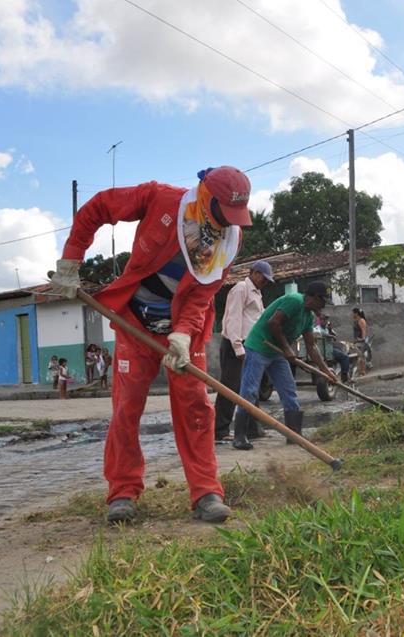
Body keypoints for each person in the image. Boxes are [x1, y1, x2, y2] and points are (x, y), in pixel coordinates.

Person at [49, 165, 253, 525]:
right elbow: (99, 207)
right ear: (205, 196)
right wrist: (71, 259)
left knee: (196, 408)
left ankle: (206, 492)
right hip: (135, 322)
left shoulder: (229, 241)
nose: (227, 223)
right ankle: (123, 492)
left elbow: (203, 294)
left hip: (184, 331)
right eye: (223, 212)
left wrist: (183, 333)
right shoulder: (160, 199)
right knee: (126, 409)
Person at [230, 281, 336, 450]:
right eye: (323, 302)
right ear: (315, 298)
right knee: (249, 391)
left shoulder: (308, 317)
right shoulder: (295, 301)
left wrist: (325, 371)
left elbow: (311, 346)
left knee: (288, 390)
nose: (323, 307)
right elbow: (273, 323)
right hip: (259, 347)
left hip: (276, 353)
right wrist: (287, 348)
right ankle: (239, 436)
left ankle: (294, 435)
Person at [214, 260, 275, 442]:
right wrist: (237, 346)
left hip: (251, 345)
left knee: (250, 386)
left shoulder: (257, 293)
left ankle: (252, 429)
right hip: (235, 344)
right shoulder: (241, 288)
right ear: (254, 273)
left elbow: (257, 318)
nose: (265, 282)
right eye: (263, 278)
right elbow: (233, 318)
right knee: (230, 387)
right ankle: (220, 430)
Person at [351, 307, 370, 377]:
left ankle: (363, 372)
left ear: (356, 313)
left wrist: (362, 339)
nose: (352, 314)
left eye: (353, 313)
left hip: (360, 342)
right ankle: (360, 371)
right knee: (359, 356)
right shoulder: (356, 321)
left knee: (361, 356)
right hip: (357, 341)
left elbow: (363, 331)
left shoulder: (361, 320)